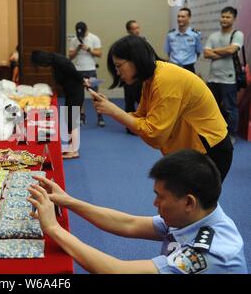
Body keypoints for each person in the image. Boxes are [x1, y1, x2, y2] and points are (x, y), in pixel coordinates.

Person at [27, 149, 247, 274]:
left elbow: (116, 271)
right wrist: (69, 201)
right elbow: (128, 224)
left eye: (161, 197)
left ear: (188, 202)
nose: (155, 203)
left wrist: (54, 229)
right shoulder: (197, 214)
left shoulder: (208, 254)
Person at [93, 35, 233, 182]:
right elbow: (141, 117)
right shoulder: (151, 79)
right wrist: (113, 109)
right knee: (184, 202)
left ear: (135, 59)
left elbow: (155, 135)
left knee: (194, 203)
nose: (117, 72)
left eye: (119, 65)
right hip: (191, 150)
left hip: (209, 150)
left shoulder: (164, 80)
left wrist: (114, 111)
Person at [31, 50, 84, 159]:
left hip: (75, 92)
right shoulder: (55, 60)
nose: (42, 66)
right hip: (70, 91)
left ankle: (74, 151)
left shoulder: (60, 61)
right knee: (69, 120)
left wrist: (85, 81)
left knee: (72, 120)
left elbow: (76, 75)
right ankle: (71, 148)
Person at [204, 6, 244, 144]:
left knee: (230, 109)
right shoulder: (213, 36)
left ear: (234, 19)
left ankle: (231, 135)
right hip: (212, 78)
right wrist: (225, 51)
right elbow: (205, 53)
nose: (224, 19)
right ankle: (212, 133)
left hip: (229, 79)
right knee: (211, 107)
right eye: (223, 16)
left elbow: (233, 49)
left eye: (228, 17)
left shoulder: (237, 34)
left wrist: (214, 52)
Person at [69, 22, 105, 127]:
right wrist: (77, 49)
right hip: (78, 71)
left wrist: (88, 49)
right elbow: (70, 57)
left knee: (95, 95)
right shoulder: (74, 40)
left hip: (91, 70)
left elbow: (99, 54)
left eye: (82, 32)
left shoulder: (94, 38)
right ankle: (82, 116)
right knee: (79, 96)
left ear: (86, 30)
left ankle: (100, 117)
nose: (81, 35)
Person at [121, 20, 143, 134]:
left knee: (142, 102)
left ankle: (143, 126)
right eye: (134, 28)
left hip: (141, 77)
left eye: (137, 27)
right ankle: (129, 127)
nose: (137, 30)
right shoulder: (124, 44)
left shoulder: (144, 42)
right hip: (129, 78)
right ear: (129, 30)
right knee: (129, 102)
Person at [164, 7, 203, 73]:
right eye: (178, 16)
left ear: (189, 18)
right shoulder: (170, 34)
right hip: (174, 67)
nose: (179, 19)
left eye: (183, 17)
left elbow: (198, 51)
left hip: (189, 67)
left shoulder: (195, 34)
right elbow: (168, 52)